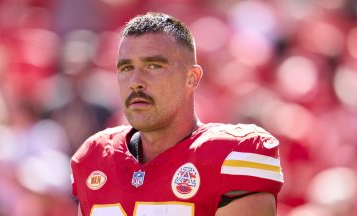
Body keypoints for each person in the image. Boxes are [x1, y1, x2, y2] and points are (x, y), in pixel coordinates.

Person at [70, 12, 283, 216]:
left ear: (191, 78)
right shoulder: (94, 157)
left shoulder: (232, 156)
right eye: (126, 68)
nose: (135, 82)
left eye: (153, 66)